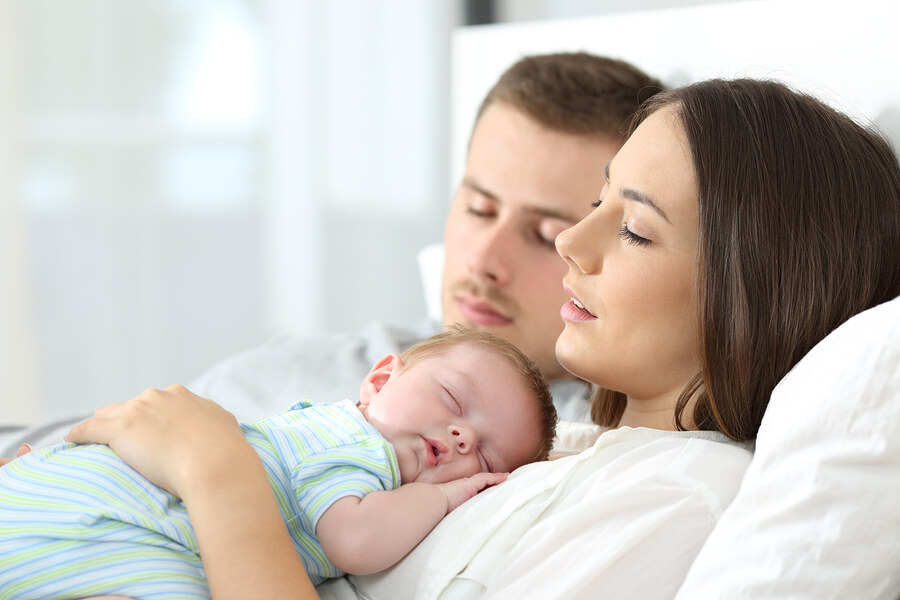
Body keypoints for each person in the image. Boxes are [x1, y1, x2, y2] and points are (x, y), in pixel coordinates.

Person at [58, 77, 900, 599]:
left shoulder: (678, 499)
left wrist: (216, 470)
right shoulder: (565, 450)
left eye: (634, 230)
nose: (573, 243)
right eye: (598, 201)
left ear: (752, 296)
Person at [0, 52, 664, 459]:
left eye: (545, 233)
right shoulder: (319, 362)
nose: (484, 260)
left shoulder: (587, 452)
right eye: (479, 209)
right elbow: (63, 442)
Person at [0, 327, 557, 599]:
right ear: (381, 379)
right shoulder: (360, 447)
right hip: (127, 511)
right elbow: (353, 541)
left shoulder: (318, 428)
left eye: (484, 455)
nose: (462, 436)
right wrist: (443, 495)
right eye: (452, 400)